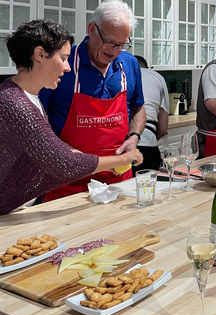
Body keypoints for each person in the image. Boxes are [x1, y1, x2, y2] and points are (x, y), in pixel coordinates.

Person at [0, 19, 142, 215]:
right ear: (40, 54)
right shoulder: (17, 104)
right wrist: (123, 159)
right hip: (10, 212)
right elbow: (62, 164)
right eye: (63, 58)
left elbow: (49, 150)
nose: (67, 68)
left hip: (20, 205)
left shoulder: (26, 97)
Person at [39, 0, 146, 201]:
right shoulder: (63, 64)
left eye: (122, 44)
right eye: (110, 42)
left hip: (119, 182)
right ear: (91, 29)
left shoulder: (129, 64)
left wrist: (134, 136)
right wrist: (65, 152)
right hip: (68, 183)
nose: (114, 51)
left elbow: (138, 108)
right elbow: (38, 120)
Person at [133, 55, 169, 174]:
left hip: (122, 146)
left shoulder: (119, 75)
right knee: (149, 187)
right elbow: (163, 129)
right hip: (149, 144)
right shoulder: (158, 77)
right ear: (147, 67)